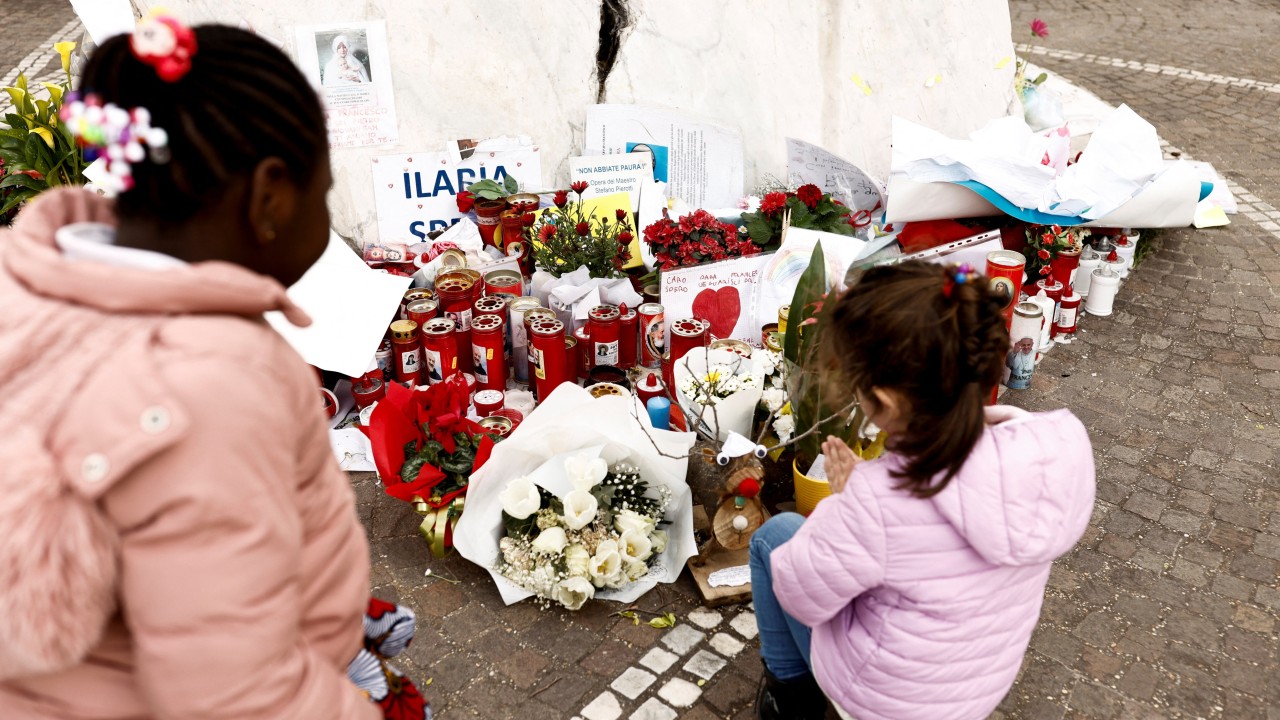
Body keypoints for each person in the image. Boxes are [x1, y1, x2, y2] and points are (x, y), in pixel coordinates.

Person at [0, 20, 425, 720]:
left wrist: (329, 614)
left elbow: (193, 575)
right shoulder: (212, 383)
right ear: (269, 196)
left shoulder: (35, 282)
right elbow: (234, 691)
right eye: (322, 196)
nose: (323, 221)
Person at [749, 261, 1095, 720]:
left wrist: (847, 501)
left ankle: (788, 703)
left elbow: (801, 593)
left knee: (774, 538)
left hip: (890, 701)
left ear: (886, 403)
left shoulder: (876, 501)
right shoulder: (1047, 452)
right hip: (974, 687)